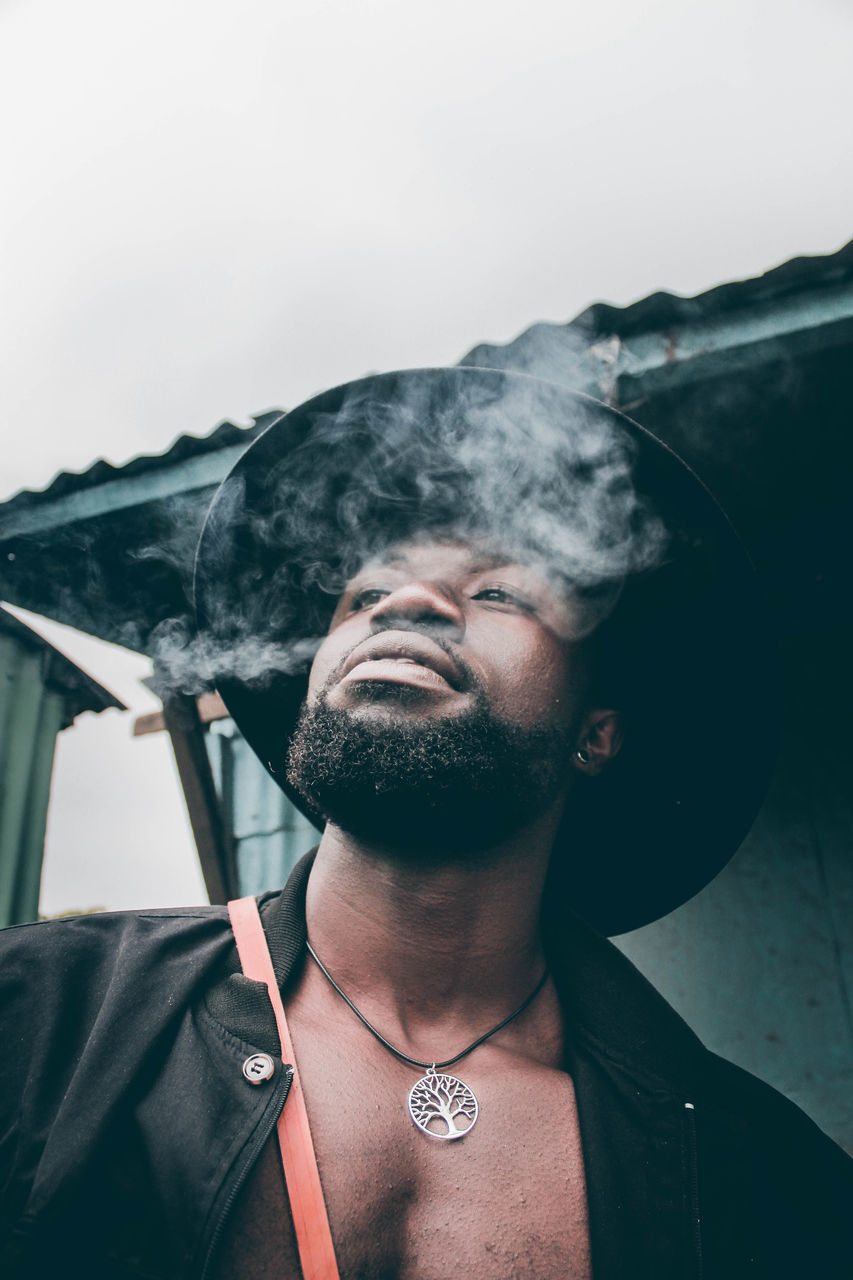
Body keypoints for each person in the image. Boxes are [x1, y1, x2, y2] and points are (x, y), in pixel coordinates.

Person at [1, 368, 851, 1279]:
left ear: (594, 735)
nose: (408, 604)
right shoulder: (42, 1019)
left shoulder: (759, 1180)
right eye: (365, 599)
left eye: (498, 595)